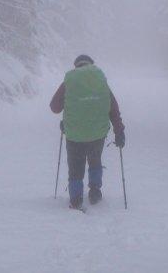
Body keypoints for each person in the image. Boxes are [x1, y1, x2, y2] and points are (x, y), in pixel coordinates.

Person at [50, 54, 125, 209]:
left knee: (75, 166)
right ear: (91, 65)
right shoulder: (100, 82)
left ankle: (76, 199)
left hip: (74, 135)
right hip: (97, 134)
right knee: (95, 160)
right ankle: (95, 191)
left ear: (76, 66)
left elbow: (55, 107)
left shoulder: (69, 81)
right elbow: (113, 109)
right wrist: (119, 131)